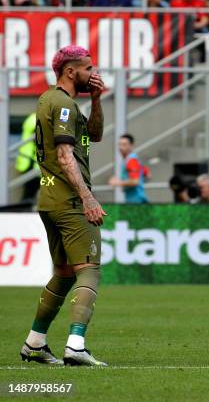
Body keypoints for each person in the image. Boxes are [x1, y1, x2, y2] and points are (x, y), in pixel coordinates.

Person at [20, 45, 108, 366]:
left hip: (48, 198)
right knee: (90, 270)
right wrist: (87, 198)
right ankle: (76, 345)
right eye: (88, 68)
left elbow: (95, 136)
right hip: (69, 200)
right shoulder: (64, 105)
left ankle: (35, 342)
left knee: (64, 273)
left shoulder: (54, 100)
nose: (92, 73)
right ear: (70, 71)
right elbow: (64, 155)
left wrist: (96, 100)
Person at [108, 134, 149, 204]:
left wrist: (118, 182)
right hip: (136, 200)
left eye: (124, 144)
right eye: (119, 144)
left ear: (131, 146)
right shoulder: (133, 160)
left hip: (137, 202)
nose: (120, 147)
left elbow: (136, 181)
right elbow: (148, 175)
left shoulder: (131, 161)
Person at [14, 112, 41, 203]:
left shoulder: (32, 117)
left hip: (30, 161)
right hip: (30, 161)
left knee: (31, 192)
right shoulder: (36, 118)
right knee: (29, 191)